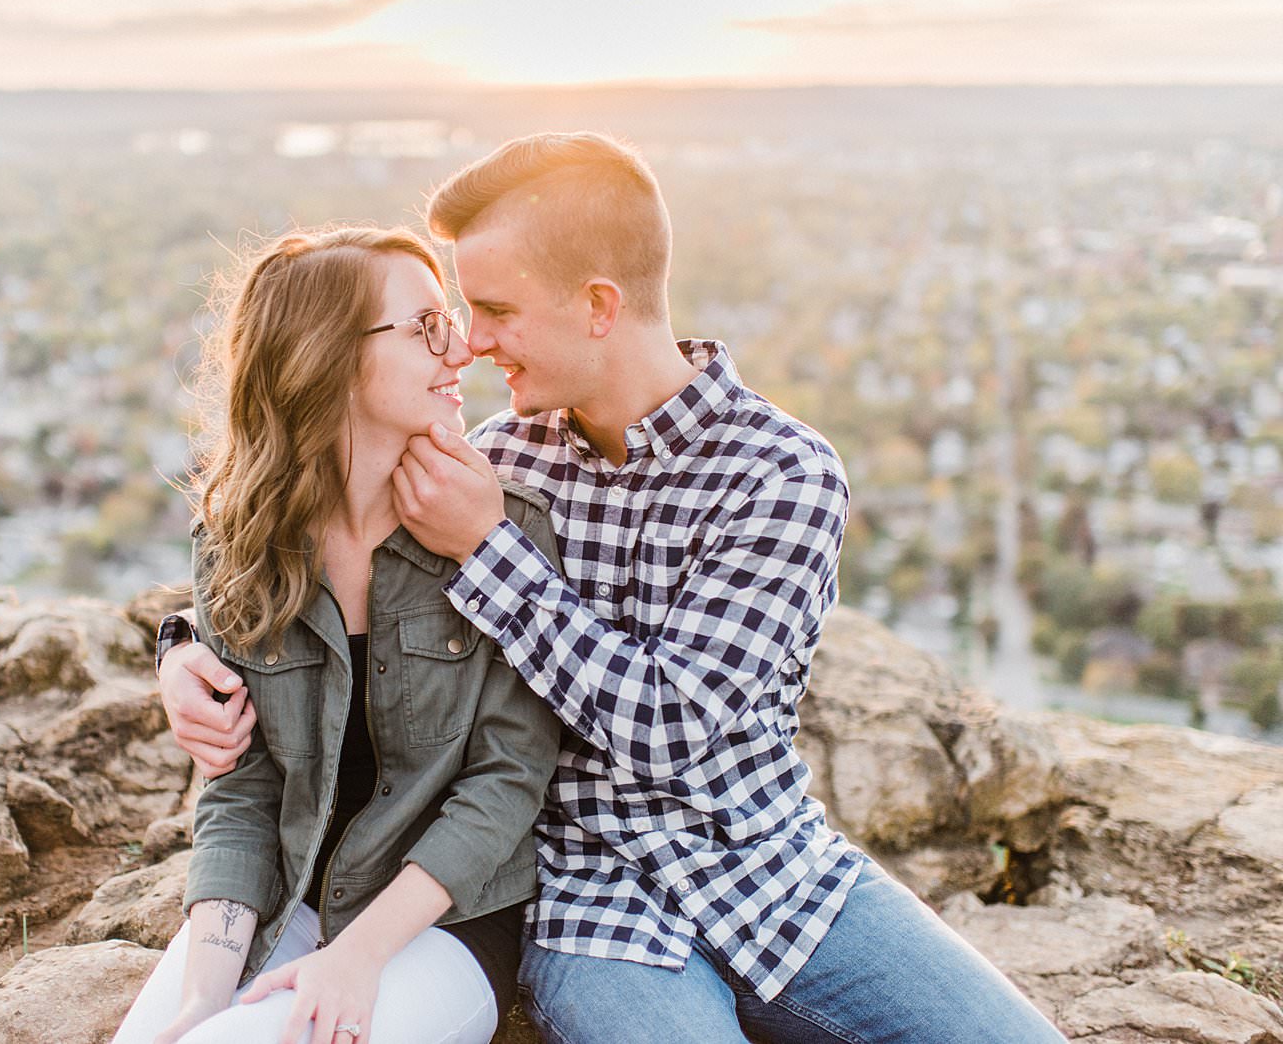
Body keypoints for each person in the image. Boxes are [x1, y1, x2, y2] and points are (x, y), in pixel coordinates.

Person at [160, 135, 1067, 1043]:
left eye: (497, 311)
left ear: (599, 306)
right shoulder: (493, 460)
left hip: (775, 873)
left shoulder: (781, 475)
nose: (472, 344)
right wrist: (179, 651)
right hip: (590, 908)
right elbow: (307, 529)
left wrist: (488, 549)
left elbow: (671, 729)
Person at [118, 226, 561, 1044]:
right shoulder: (240, 540)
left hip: (445, 928)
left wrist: (355, 957)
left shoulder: (500, 532)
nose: (461, 348)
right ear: (329, 355)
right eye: (427, 325)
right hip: (290, 899)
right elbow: (244, 790)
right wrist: (200, 998)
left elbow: (504, 785)